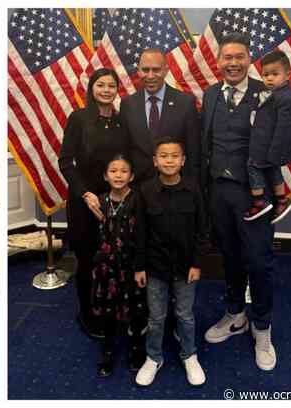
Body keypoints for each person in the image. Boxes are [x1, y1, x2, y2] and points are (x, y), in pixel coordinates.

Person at [200, 33, 277, 371]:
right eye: (226, 57)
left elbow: (282, 142)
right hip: (219, 191)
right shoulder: (211, 94)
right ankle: (235, 315)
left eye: (239, 57)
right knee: (230, 257)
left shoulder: (267, 94)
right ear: (218, 62)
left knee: (258, 262)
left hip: (254, 195)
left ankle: (262, 327)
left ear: (250, 59)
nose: (232, 63)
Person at [134, 138, 208, 387]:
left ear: (183, 160)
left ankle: (189, 354)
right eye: (163, 156)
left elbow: (202, 230)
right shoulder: (145, 191)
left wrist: (197, 263)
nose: (169, 160)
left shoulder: (194, 189)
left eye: (174, 156)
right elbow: (140, 233)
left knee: (185, 315)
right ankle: (154, 357)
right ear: (155, 161)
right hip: (155, 267)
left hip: (186, 266)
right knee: (156, 317)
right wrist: (139, 266)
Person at [59, 67, 126, 339]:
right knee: (87, 260)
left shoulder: (122, 121)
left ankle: (110, 307)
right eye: (101, 85)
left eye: (111, 85)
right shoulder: (79, 119)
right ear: (92, 88)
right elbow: (65, 162)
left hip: (116, 200)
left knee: (113, 259)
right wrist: (85, 193)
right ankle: (87, 312)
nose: (106, 90)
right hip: (84, 201)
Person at [90, 154, 146, 377]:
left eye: (124, 171)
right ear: (105, 175)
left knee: (135, 311)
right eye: (113, 171)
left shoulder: (138, 200)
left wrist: (141, 266)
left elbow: (143, 236)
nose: (118, 175)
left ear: (131, 176)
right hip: (106, 267)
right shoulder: (100, 201)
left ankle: (136, 349)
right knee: (108, 311)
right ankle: (108, 351)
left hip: (130, 266)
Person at [120, 48, 201, 186]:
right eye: (145, 70)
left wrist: (192, 187)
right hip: (139, 187)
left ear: (166, 70)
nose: (150, 75)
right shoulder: (128, 104)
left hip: (176, 186)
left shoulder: (186, 103)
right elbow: (125, 148)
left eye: (156, 70)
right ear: (138, 71)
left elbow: (193, 151)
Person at [244, 49, 291, 223]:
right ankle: (281, 200)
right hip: (264, 144)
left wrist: (275, 151)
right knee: (273, 171)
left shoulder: (286, 97)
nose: (269, 78)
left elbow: (284, 128)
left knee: (252, 166)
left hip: (270, 146)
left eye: (275, 74)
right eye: (265, 74)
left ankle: (260, 201)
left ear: (288, 75)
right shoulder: (274, 93)